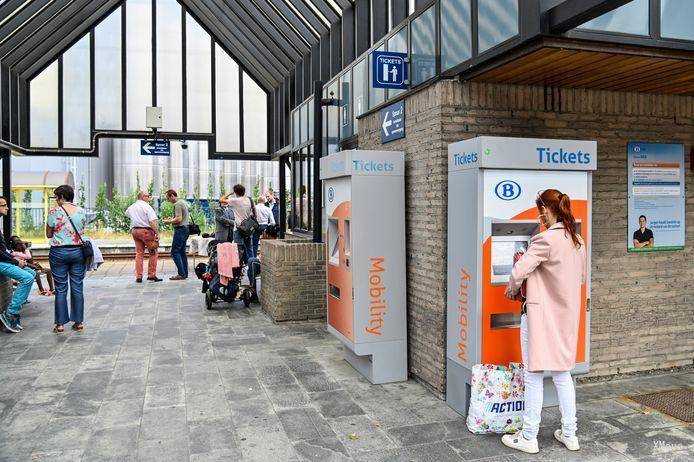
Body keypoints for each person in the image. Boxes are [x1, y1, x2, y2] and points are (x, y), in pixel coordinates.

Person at [501, 189, 586, 454]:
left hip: (539, 316)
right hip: (566, 316)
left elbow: (519, 271)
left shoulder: (545, 240)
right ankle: (570, 434)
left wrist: (512, 289)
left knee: (534, 373)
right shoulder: (577, 240)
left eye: (541, 211)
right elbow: (578, 279)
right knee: (562, 373)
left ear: (549, 210)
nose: (540, 216)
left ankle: (528, 436)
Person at [46, 185, 88, 333]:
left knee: (61, 288)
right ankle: (78, 322)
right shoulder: (82, 211)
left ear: (62, 196)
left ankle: (60, 324)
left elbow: (49, 234)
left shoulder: (54, 212)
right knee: (77, 285)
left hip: (58, 252)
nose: (57, 200)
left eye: (57, 197)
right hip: (78, 252)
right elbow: (82, 230)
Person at [0, 198, 36, 333]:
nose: (7, 208)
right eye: (4, 205)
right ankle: (10, 314)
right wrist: (15, 261)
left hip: (3, 261)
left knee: (31, 274)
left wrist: (15, 259)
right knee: (27, 278)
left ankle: (13, 312)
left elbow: (3, 251)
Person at [125, 191, 162, 283]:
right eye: (148, 196)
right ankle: (151, 275)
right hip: (146, 231)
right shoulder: (147, 206)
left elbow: (127, 214)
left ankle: (139, 276)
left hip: (135, 231)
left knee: (139, 253)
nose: (149, 197)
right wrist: (157, 233)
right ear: (143, 197)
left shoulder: (132, 206)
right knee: (153, 252)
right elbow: (152, 222)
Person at [163, 189, 189, 280]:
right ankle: (184, 273)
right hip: (185, 229)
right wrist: (173, 218)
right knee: (182, 252)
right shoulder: (183, 202)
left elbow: (179, 219)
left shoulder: (177, 204)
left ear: (172, 196)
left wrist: (169, 221)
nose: (168, 201)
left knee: (174, 252)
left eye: (168, 198)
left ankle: (181, 274)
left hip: (180, 230)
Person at [225, 184, 256, 258]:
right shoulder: (248, 199)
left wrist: (230, 193)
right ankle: (251, 265)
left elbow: (221, 199)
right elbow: (254, 211)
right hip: (248, 227)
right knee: (249, 249)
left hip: (239, 229)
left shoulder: (236, 200)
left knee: (238, 249)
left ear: (235, 193)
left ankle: (238, 267)